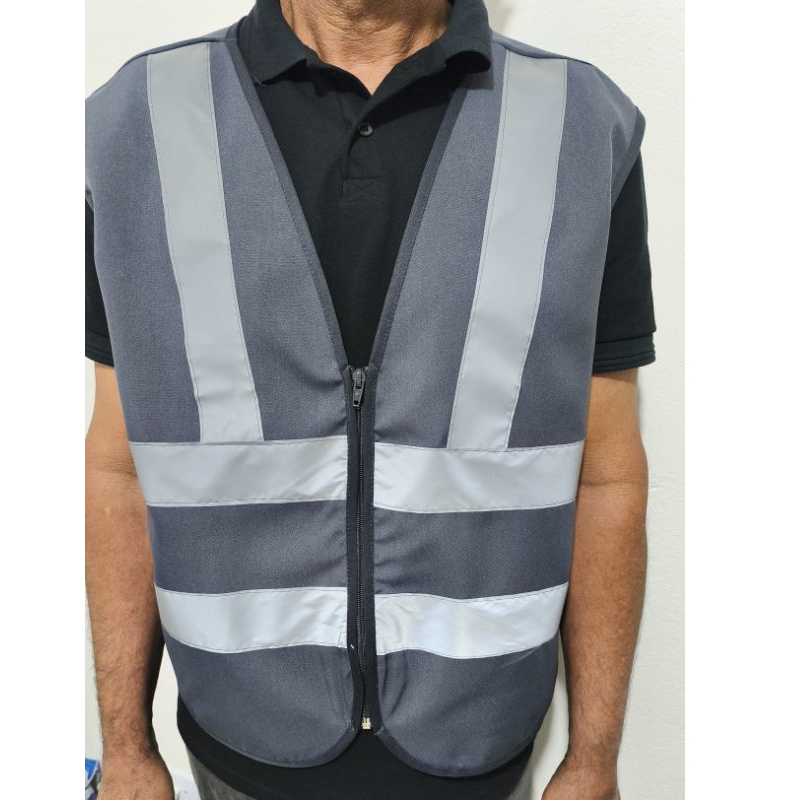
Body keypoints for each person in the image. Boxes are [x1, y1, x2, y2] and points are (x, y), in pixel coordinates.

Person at [85, 1, 655, 798]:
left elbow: (606, 477)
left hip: (480, 749)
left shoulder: (578, 125)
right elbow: (118, 466)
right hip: (238, 743)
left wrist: (594, 760)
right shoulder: (138, 121)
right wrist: (124, 749)